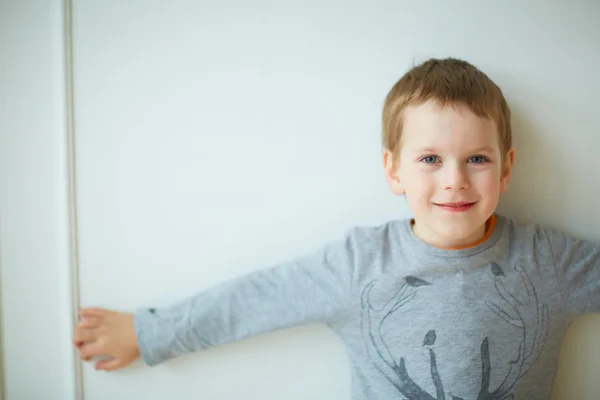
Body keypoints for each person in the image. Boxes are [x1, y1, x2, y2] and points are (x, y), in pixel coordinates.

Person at [73, 57, 600, 399]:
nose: (455, 180)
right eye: (431, 159)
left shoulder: (545, 261)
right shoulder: (361, 264)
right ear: (393, 170)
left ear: (507, 168)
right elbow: (257, 299)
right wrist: (149, 331)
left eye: (477, 158)